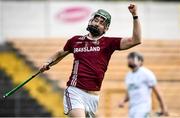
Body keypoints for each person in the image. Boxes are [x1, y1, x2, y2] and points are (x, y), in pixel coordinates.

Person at [40, 4, 141, 118]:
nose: (97, 23)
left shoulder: (109, 43)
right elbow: (59, 54)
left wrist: (134, 15)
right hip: (75, 92)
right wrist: (47, 63)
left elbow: (136, 40)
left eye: (101, 23)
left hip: (93, 97)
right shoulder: (75, 41)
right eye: (95, 20)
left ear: (106, 29)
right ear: (90, 21)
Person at [118, 52, 169, 118]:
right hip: (132, 110)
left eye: (133, 57)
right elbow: (129, 94)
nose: (130, 59)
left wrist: (163, 108)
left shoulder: (146, 73)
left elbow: (158, 93)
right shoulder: (128, 76)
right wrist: (123, 101)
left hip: (143, 109)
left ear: (140, 61)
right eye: (129, 58)